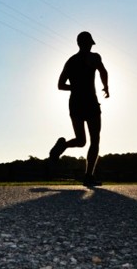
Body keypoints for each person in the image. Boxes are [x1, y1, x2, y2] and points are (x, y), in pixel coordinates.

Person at [49, 31, 109, 187]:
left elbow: (60, 85)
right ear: (88, 43)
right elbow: (103, 71)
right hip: (90, 102)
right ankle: (89, 176)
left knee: (81, 140)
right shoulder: (94, 57)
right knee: (94, 139)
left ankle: (62, 146)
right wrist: (106, 87)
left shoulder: (71, 61)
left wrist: (75, 86)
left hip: (75, 103)